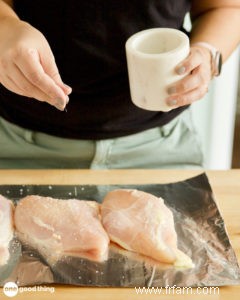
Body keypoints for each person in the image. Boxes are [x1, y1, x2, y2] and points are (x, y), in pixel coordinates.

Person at [0, 0, 239, 169]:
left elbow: (225, 6)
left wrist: (208, 54)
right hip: (19, 147)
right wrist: (5, 27)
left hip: (160, 150)